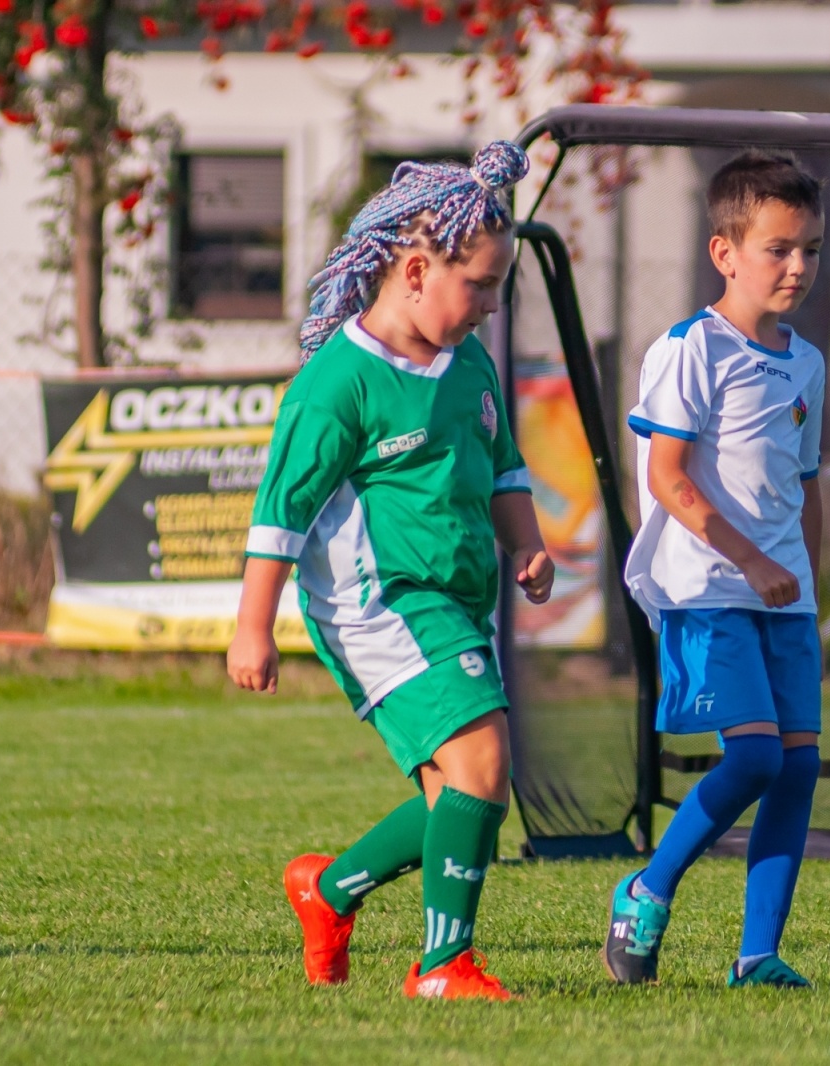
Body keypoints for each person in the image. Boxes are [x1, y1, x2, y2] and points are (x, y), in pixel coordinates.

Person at [227, 141, 554, 1002]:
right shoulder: (338, 384)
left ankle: (328, 893)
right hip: (379, 606)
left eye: (497, 286)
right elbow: (279, 512)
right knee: (484, 765)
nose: (490, 305)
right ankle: (443, 969)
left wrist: (525, 541)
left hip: (456, 599)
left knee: (464, 796)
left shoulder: (469, 362)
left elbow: (504, 463)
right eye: (478, 285)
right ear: (414, 270)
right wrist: (252, 626)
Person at [602, 150, 826, 989]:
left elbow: (805, 484)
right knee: (757, 758)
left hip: (783, 595)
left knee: (797, 766)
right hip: (709, 585)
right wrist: (752, 559)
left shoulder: (807, 362)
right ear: (725, 252)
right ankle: (647, 889)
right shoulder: (691, 349)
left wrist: (808, 584)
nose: (798, 266)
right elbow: (668, 477)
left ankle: (758, 956)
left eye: (810, 249)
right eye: (779, 248)